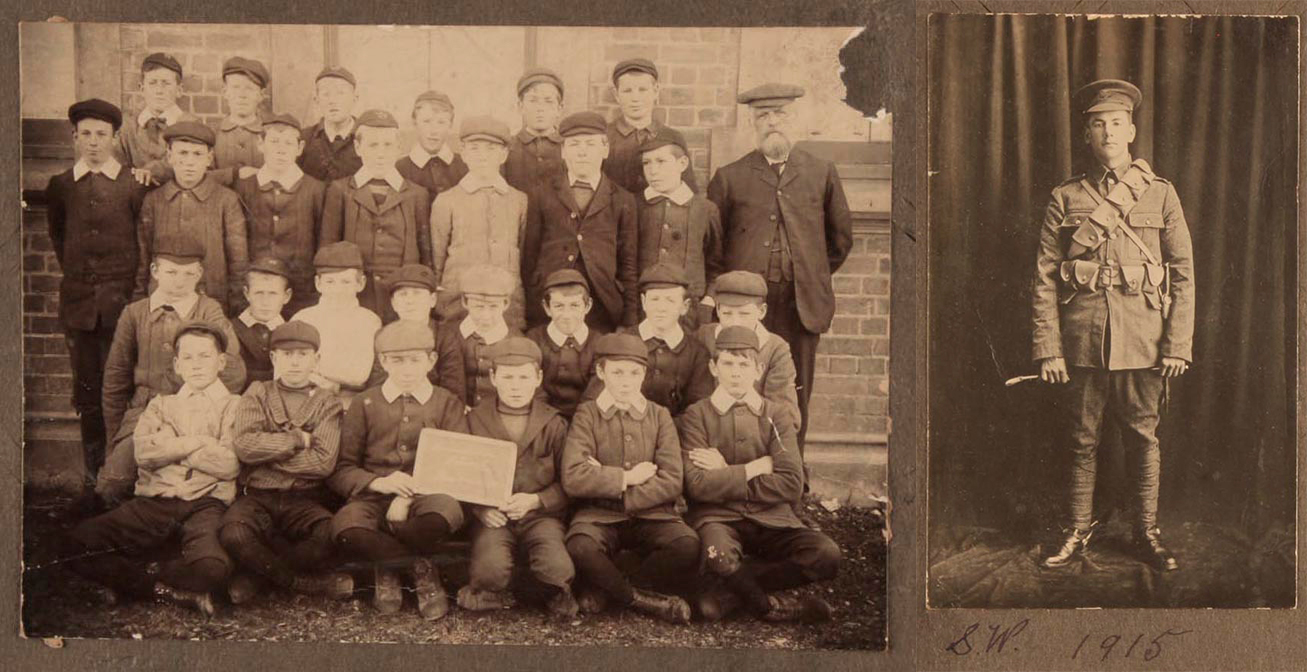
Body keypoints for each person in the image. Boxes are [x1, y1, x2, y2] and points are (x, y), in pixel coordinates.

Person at [1032, 79, 1194, 572]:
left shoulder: (1160, 194)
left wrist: (1178, 345)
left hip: (1144, 340)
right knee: (1081, 440)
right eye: (1098, 124)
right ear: (1086, 134)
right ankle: (1077, 530)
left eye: (1116, 123)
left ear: (1131, 131)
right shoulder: (1066, 197)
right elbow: (1043, 276)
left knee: (1143, 439)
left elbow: (1183, 273)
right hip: (1082, 340)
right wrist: (1048, 348)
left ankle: (1147, 533)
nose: (1107, 132)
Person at [707, 82, 854, 456]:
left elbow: (839, 242)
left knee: (795, 393)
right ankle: (745, 470)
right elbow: (713, 249)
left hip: (800, 305)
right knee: (739, 384)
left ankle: (791, 471)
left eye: (780, 114)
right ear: (752, 123)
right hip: (746, 308)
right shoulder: (729, 177)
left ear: (796, 118)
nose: (772, 122)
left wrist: (807, 275)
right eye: (763, 116)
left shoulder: (821, 172)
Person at [63, 321, 242, 617]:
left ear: (221, 362)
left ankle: (133, 576)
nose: (196, 364)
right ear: (177, 365)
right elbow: (145, 453)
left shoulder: (234, 406)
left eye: (205, 356)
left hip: (205, 503)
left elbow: (228, 463)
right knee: (76, 541)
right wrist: (199, 442)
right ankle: (163, 590)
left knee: (213, 567)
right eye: (188, 357)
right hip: (155, 501)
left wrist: (170, 447)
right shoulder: (160, 405)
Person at [680, 326, 840, 624]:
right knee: (718, 553)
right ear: (714, 368)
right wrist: (753, 469)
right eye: (728, 363)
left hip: (772, 517)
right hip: (718, 517)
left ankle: (728, 592)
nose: (735, 373)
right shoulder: (696, 415)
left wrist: (724, 475)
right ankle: (770, 607)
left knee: (825, 554)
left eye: (744, 365)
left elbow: (791, 483)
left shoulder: (776, 415)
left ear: (758, 369)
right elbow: (698, 485)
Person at [328, 321, 470, 619]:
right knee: (347, 528)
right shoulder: (364, 403)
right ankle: (415, 569)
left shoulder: (446, 403)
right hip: (372, 496)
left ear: (431, 360)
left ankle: (387, 563)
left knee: (442, 515)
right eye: (397, 360)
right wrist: (378, 483)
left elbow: (456, 464)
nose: (407, 369)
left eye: (415, 360)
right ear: (383, 361)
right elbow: (343, 469)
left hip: (428, 495)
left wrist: (407, 497)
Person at [45, 98, 146, 502]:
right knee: (87, 393)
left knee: (118, 390)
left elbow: (141, 242)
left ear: (115, 138)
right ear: (74, 137)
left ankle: (118, 478)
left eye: (101, 134)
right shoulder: (61, 186)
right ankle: (92, 480)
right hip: (79, 309)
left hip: (120, 306)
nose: (93, 141)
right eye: (85, 134)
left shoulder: (132, 184)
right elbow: (59, 239)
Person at [97, 234, 246, 506]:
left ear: (199, 274)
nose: (180, 281)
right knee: (114, 484)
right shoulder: (134, 314)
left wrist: (193, 404)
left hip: (199, 416)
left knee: (194, 486)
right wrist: (115, 439)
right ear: (155, 271)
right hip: (144, 415)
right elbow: (115, 379)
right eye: (171, 272)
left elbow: (234, 371)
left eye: (189, 273)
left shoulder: (209, 310)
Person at [561, 333, 699, 624]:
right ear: (601, 372)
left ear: (644, 374)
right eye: (617, 372)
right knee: (580, 546)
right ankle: (641, 600)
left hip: (653, 513)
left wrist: (609, 485)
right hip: (598, 515)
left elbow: (672, 479)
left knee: (686, 544)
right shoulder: (587, 414)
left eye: (634, 373)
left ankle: (609, 588)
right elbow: (573, 476)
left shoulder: (659, 416)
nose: (626, 381)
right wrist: (628, 477)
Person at [220, 320, 354, 603]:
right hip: (257, 495)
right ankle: (296, 582)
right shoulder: (258, 392)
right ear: (273, 358)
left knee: (329, 533)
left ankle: (258, 576)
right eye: (286, 354)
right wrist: (296, 440)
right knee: (234, 533)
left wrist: (265, 458)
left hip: (304, 497)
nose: (294, 362)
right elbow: (244, 446)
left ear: (316, 359)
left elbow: (322, 462)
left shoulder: (328, 402)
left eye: (303, 354)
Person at [459, 337, 578, 618]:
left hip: (540, 517)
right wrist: (480, 509)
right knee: (490, 572)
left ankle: (537, 589)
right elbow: (460, 474)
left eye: (524, 377)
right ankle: (496, 588)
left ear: (538, 378)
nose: (515, 386)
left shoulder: (554, 423)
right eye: (507, 377)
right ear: (493, 377)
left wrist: (536, 501)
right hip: (494, 518)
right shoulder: (473, 420)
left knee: (558, 571)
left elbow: (569, 482)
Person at [522, 110, 639, 332]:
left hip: (602, 304)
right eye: (574, 144)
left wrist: (629, 321)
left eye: (590, 144)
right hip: (550, 302)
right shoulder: (541, 194)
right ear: (563, 151)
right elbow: (529, 257)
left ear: (605, 149)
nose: (582, 152)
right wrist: (531, 305)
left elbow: (628, 265)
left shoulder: (623, 199)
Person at [319, 109, 433, 320]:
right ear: (358, 147)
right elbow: (328, 251)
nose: (381, 153)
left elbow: (425, 257)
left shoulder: (417, 195)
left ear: (399, 147)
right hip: (354, 298)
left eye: (388, 145)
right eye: (372, 145)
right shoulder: (340, 191)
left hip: (400, 300)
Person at [135, 120, 249, 315]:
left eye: (197, 154)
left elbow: (238, 262)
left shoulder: (226, 200)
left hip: (210, 302)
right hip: (163, 304)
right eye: (182, 153)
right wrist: (140, 302)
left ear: (209, 158)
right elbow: (144, 258)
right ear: (170, 156)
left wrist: (237, 309)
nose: (189, 162)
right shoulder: (154, 200)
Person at [430, 116, 527, 328]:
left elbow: (523, 252)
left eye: (491, 149)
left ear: (504, 155)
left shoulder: (519, 201)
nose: (482, 156)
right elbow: (437, 259)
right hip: (458, 305)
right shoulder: (446, 201)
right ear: (463, 153)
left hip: (506, 305)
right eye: (474, 148)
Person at [586, 263, 712, 418]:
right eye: (655, 299)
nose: (661, 308)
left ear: (684, 307)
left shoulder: (697, 353)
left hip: (675, 431)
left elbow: (697, 413)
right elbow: (594, 401)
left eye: (670, 300)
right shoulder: (618, 344)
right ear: (644, 302)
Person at [232, 112, 325, 316]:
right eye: (274, 141)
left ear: (299, 148)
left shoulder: (316, 190)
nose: (281, 150)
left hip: (301, 292)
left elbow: (322, 241)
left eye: (288, 143)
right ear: (260, 144)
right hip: (256, 293)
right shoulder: (244, 188)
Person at [635, 127, 722, 329]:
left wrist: (708, 301)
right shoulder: (634, 205)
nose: (653, 170)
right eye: (646, 163)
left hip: (690, 312)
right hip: (643, 310)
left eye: (661, 161)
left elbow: (716, 264)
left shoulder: (705, 209)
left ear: (682, 164)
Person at [289, 242, 382, 404]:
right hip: (303, 397)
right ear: (318, 283)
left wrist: (314, 369)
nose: (337, 289)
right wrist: (329, 380)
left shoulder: (368, 320)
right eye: (330, 282)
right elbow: (286, 369)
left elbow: (359, 374)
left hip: (349, 401)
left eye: (346, 282)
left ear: (360, 283)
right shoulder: (303, 318)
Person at [602, 58, 697, 195]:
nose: (635, 98)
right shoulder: (604, 136)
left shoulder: (672, 137)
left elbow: (688, 194)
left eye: (643, 90)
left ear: (656, 91)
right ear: (616, 95)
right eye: (627, 91)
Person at [524, 269, 603, 419]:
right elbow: (533, 388)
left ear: (587, 306)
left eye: (574, 306)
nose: (567, 315)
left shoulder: (599, 343)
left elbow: (594, 393)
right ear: (547, 308)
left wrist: (581, 422)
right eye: (559, 306)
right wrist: (550, 422)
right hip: (542, 418)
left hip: (586, 419)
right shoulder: (533, 340)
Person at [384, 263, 467, 400]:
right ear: (394, 303)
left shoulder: (446, 337)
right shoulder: (385, 336)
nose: (409, 301)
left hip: (435, 408)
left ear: (432, 300)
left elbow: (453, 391)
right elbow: (377, 386)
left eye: (417, 293)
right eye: (403, 294)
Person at [117, 52, 195, 187]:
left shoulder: (191, 125)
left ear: (179, 90)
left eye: (166, 83)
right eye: (152, 83)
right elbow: (118, 165)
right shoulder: (128, 127)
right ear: (142, 89)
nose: (159, 91)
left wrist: (154, 170)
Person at [450, 265, 522, 408]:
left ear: (506, 304)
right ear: (465, 302)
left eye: (493, 307)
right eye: (478, 307)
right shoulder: (450, 334)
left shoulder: (517, 340)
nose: (486, 316)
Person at [231, 257, 293, 388]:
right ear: (247, 294)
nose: (265, 302)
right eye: (259, 293)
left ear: (286, 296)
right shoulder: (231, 329)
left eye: (273, 294)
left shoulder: (292, 330)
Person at [503, 67, 566, 195]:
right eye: (533, 101)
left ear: (559, 108)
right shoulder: (508, 148)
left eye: (548, 101)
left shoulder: (569, 147)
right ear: (520, 106)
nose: (540, 108)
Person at [395, 90, 468, 198]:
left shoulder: (465, 165)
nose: (434, 131)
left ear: (450, 125)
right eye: (426, 121)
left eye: (441, 122)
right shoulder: (400, 169)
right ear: (415, 123)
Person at [210, 57, 270, 184]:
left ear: (261, 95)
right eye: (235, 87)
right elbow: (201, 177)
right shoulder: (212, 133)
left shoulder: (270, 133)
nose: (242, 95)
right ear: (225, 92)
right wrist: (233, 174)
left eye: (250, 88)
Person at [298, 66, 363, 183]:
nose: (333, 101)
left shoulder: (366, 138)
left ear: (355, 98)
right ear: (316, 100)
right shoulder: (303, 139)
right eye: (326, 94)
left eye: (341, 93)